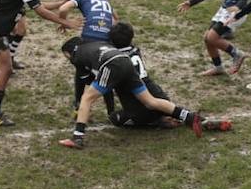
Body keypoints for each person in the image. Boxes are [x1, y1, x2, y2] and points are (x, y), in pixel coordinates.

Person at [61, 24, 219, 148]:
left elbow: (88, 85)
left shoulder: (77, 57)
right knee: (150, 101)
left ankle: (78, 137)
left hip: (112, 64)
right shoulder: (96, 44)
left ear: (70, 52)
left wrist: (103, 109)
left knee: (86, 98)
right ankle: (189, 117)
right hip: (124, 60)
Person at [46, 0, 118, 108]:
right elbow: (115, 19)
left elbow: (63, 9)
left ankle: (79, 101)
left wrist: (64, 23)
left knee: (73, 55)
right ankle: (111, 111)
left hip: (89, 41)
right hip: (108, 43)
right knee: (103, 74)